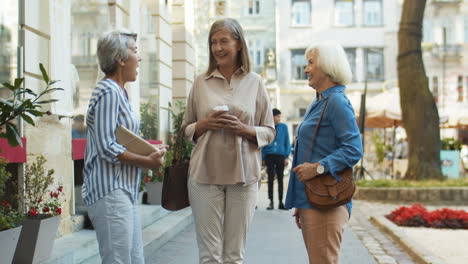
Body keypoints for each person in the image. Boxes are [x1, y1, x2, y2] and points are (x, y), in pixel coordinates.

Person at [182, 18, 275, 264]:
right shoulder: (200, 83)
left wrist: (245, 129)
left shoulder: (255, 82)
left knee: (234, 256)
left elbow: (269, 130)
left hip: (243, 177)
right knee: (209, 256)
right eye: (213, 42)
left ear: (239, 45)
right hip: (204, 175)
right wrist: (205, 124)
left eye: (224, 41)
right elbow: (186, 128)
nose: (218, 48)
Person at [82, 30, 166, 264]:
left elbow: (120, 137)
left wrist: (150, 149)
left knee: (134, 258)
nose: (139, 59)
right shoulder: (108, 90)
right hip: (110, 190)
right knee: (118, 260)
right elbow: (107, 146)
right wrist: (147, 161)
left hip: (124, 189)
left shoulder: (120, 92)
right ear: (119, 58)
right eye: (135, 51)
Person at [285, 42, 363, 264]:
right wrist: (301, 201)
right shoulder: (319, 101)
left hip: (328, 202)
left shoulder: (336, 101)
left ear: (327, 67)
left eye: (310, 63)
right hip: (314, 199)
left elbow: (354, 149)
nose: (306, 69)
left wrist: (319, 168)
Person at [261, 108, 291, 210]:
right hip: (269, 156)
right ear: (272, 117)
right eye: (277, 116)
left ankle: (281, 202)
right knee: (270, 179)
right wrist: (263, 157)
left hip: (280, 156)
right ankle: (271, 202)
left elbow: (287, 142)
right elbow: (263, 143)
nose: (279, 118)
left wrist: (286, 156)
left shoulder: (284, 127)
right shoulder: (267, 128)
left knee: (281, 179)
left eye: (279, 116)